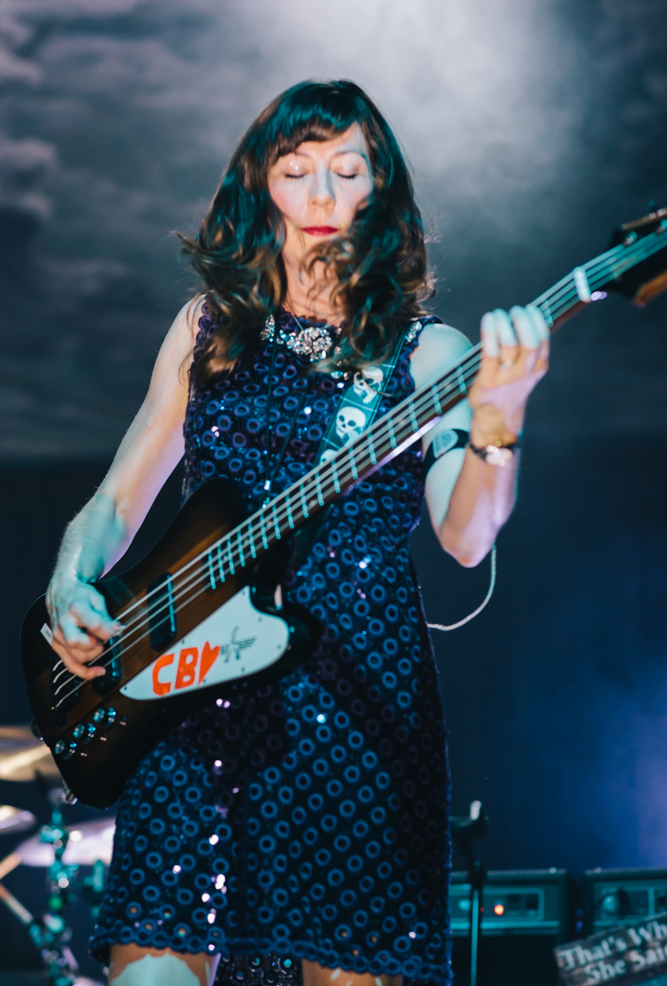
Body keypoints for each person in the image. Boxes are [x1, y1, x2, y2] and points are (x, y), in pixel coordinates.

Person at [45, 80, 549, 986]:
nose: (320, 194)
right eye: (296, 169)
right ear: (260, 185)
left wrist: (498, 420)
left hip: (351, 709)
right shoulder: (206, 330)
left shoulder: (427, 354)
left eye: (345, 171)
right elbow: (117, 500)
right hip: (190, 695)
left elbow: (466, 536)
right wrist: (70, 581)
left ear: (379, 191)